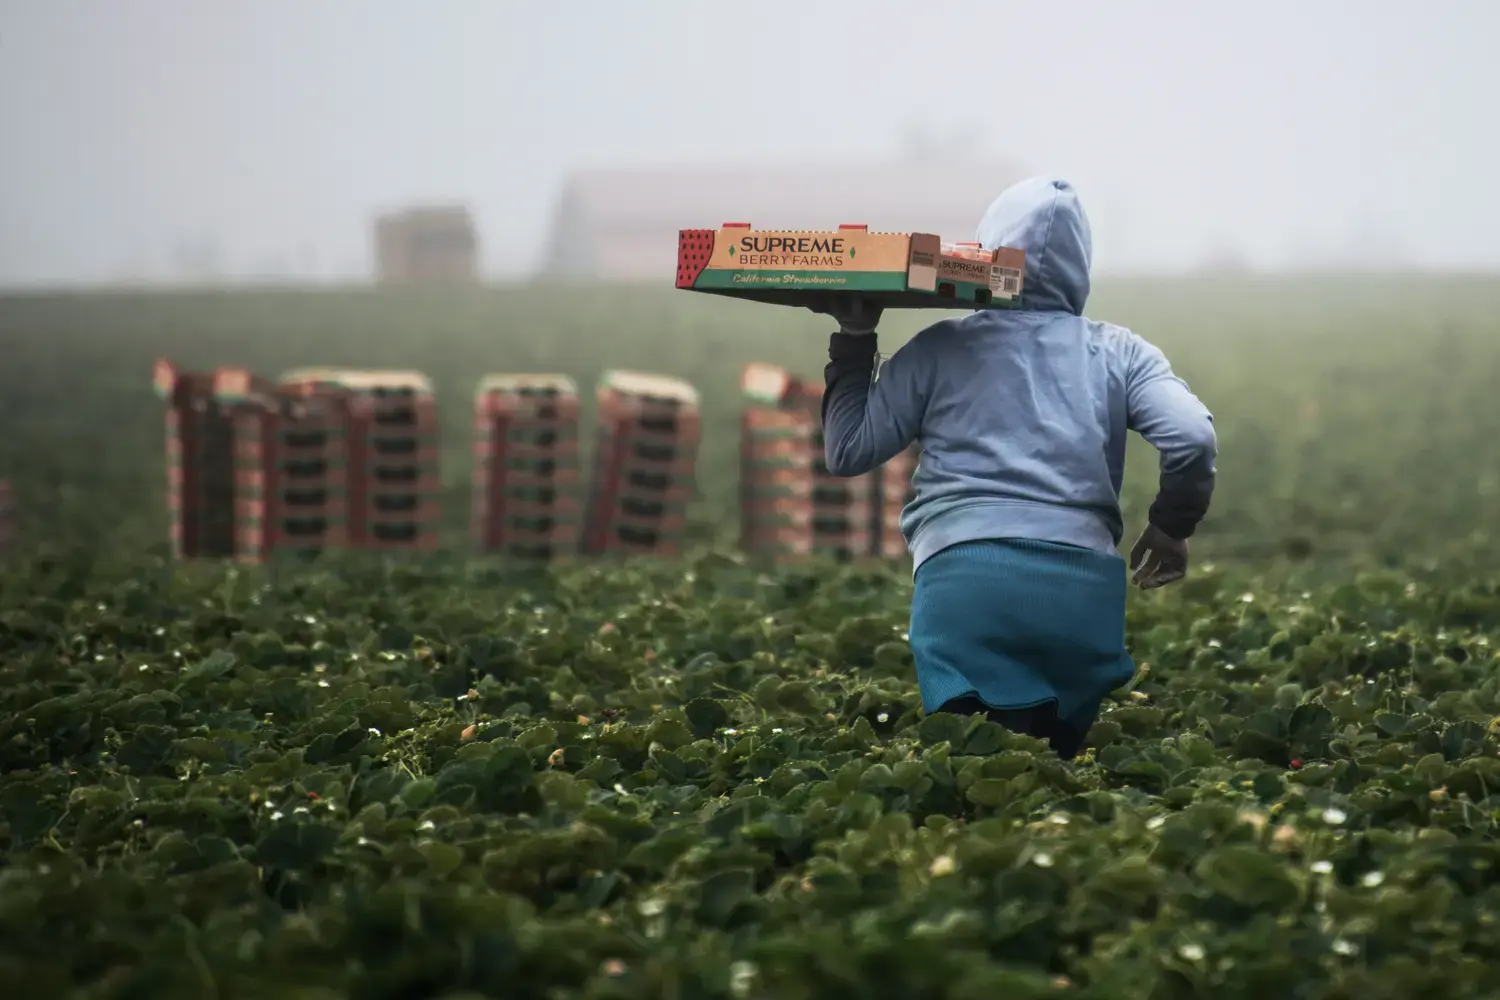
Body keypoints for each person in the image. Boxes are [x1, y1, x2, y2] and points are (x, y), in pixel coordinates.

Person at [814, 176, 1217, 760]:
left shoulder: (939, 348)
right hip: (1081, 595)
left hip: (962, 584)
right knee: (1059, 782)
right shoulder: (1123, 352)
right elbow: (1192, 436)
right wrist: (1171, 526)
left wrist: (854, 336)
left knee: (973, 772)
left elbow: (847, 449)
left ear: (986, 254)